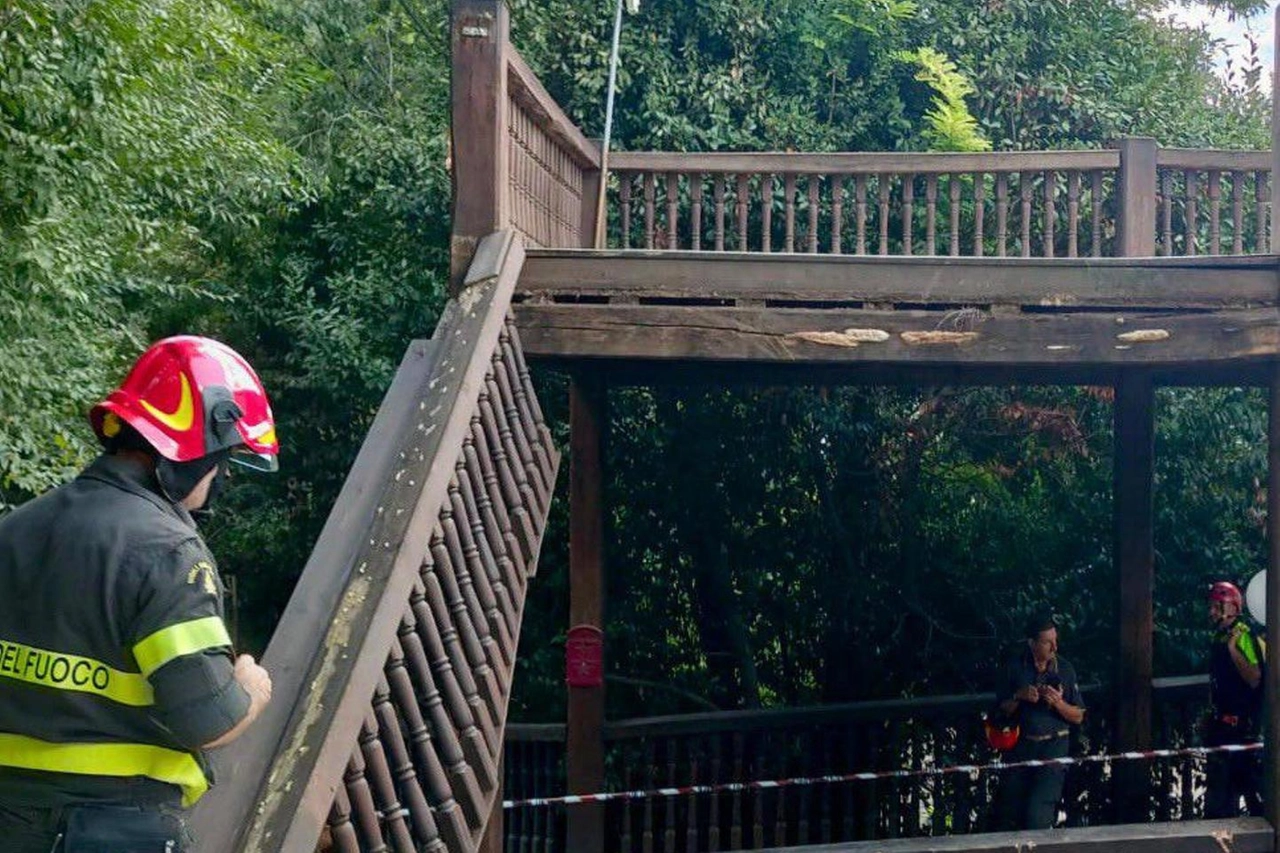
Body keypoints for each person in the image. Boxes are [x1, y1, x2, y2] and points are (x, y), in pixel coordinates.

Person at [0, 336, 278, 852]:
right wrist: (251, 687)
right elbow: (208, 720)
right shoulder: (168, 551)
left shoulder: (16, 528)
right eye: (226, 461)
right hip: (113, 830)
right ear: (202, 450)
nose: (220, 478)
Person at [992, 611, 1086, 831]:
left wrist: (1058, 703)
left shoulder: (1064, 669)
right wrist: (1018, 696)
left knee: (1038, 814)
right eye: (1047, 642)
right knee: (1011, 810)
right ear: (1032, 643)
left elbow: (1079, 714)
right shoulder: (1014, 667)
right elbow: (1000, 708)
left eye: (1056, 641)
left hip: (1054, 747)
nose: (1054, 648)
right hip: (1022, 746)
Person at [1203, 580, 1265, 818]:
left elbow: (1254, 678)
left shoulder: (1243, 636)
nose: (1212, 612)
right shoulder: (1218, 636)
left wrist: (1233, 649)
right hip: (1221, 724)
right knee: (1222, 793)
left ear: (1230, 607)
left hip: (1241, 726)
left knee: (1249, 792)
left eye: (1217, 607)